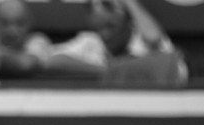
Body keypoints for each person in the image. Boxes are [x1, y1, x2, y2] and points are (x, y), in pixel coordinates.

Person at [47, 0, 187, 85]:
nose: (105, 34)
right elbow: (52, 61)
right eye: (99, 28)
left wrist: (128, 3)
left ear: (127, 21)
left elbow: (154, 37)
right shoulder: (91, 42)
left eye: (110, 26)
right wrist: (106, 71)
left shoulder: (145, 41)